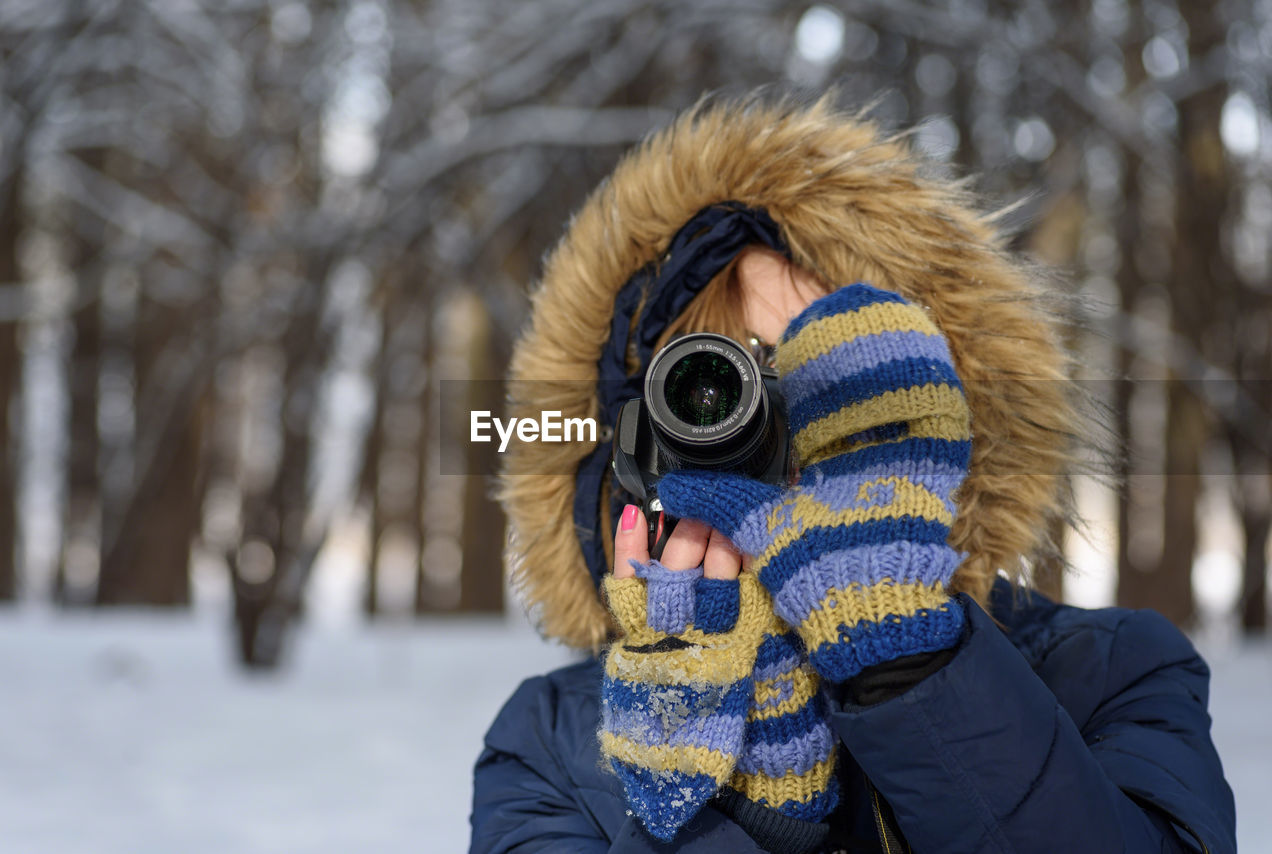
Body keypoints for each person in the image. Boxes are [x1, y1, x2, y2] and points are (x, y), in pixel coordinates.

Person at [470, 94, 1236, 853]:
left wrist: (906, 658)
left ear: (933, 420)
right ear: (628, 453)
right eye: (707, 394)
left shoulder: (1110, 671)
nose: (760, 434)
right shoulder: (549, 740)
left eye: (823, 383)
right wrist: (738, 812)